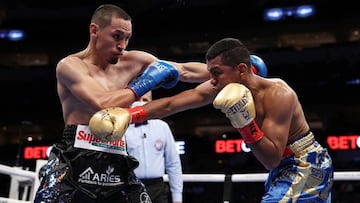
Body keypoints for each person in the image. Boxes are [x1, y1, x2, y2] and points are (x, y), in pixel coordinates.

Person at [91, 38, 334, 202]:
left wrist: (244, 123)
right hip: (284, 166)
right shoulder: (220, 86)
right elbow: (171, 104)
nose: (212, 80)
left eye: (217, 72)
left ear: (241, 69)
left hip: (305, 164)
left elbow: (270, 158)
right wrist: (129, 114)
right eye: (210, 73)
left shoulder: (279, 94)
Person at [34, 4, 209, 203]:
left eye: (127, 38)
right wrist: (145, 83)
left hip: (116, 154)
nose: (122, 45)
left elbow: (183, 70)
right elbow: (102, 104)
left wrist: (236, 70)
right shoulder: (70, 66)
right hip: (76, 156)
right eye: (116, 36)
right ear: (94, 30)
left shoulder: (133, 61)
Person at [125, 91, 183, 203]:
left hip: (158, 188)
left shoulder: (162, 127)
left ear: (151, 102)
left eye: (145, 100)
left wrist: (177, 198)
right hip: (131, 187)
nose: (140, 104)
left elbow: (173, 164)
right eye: (137, 99)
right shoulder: (123, 128)